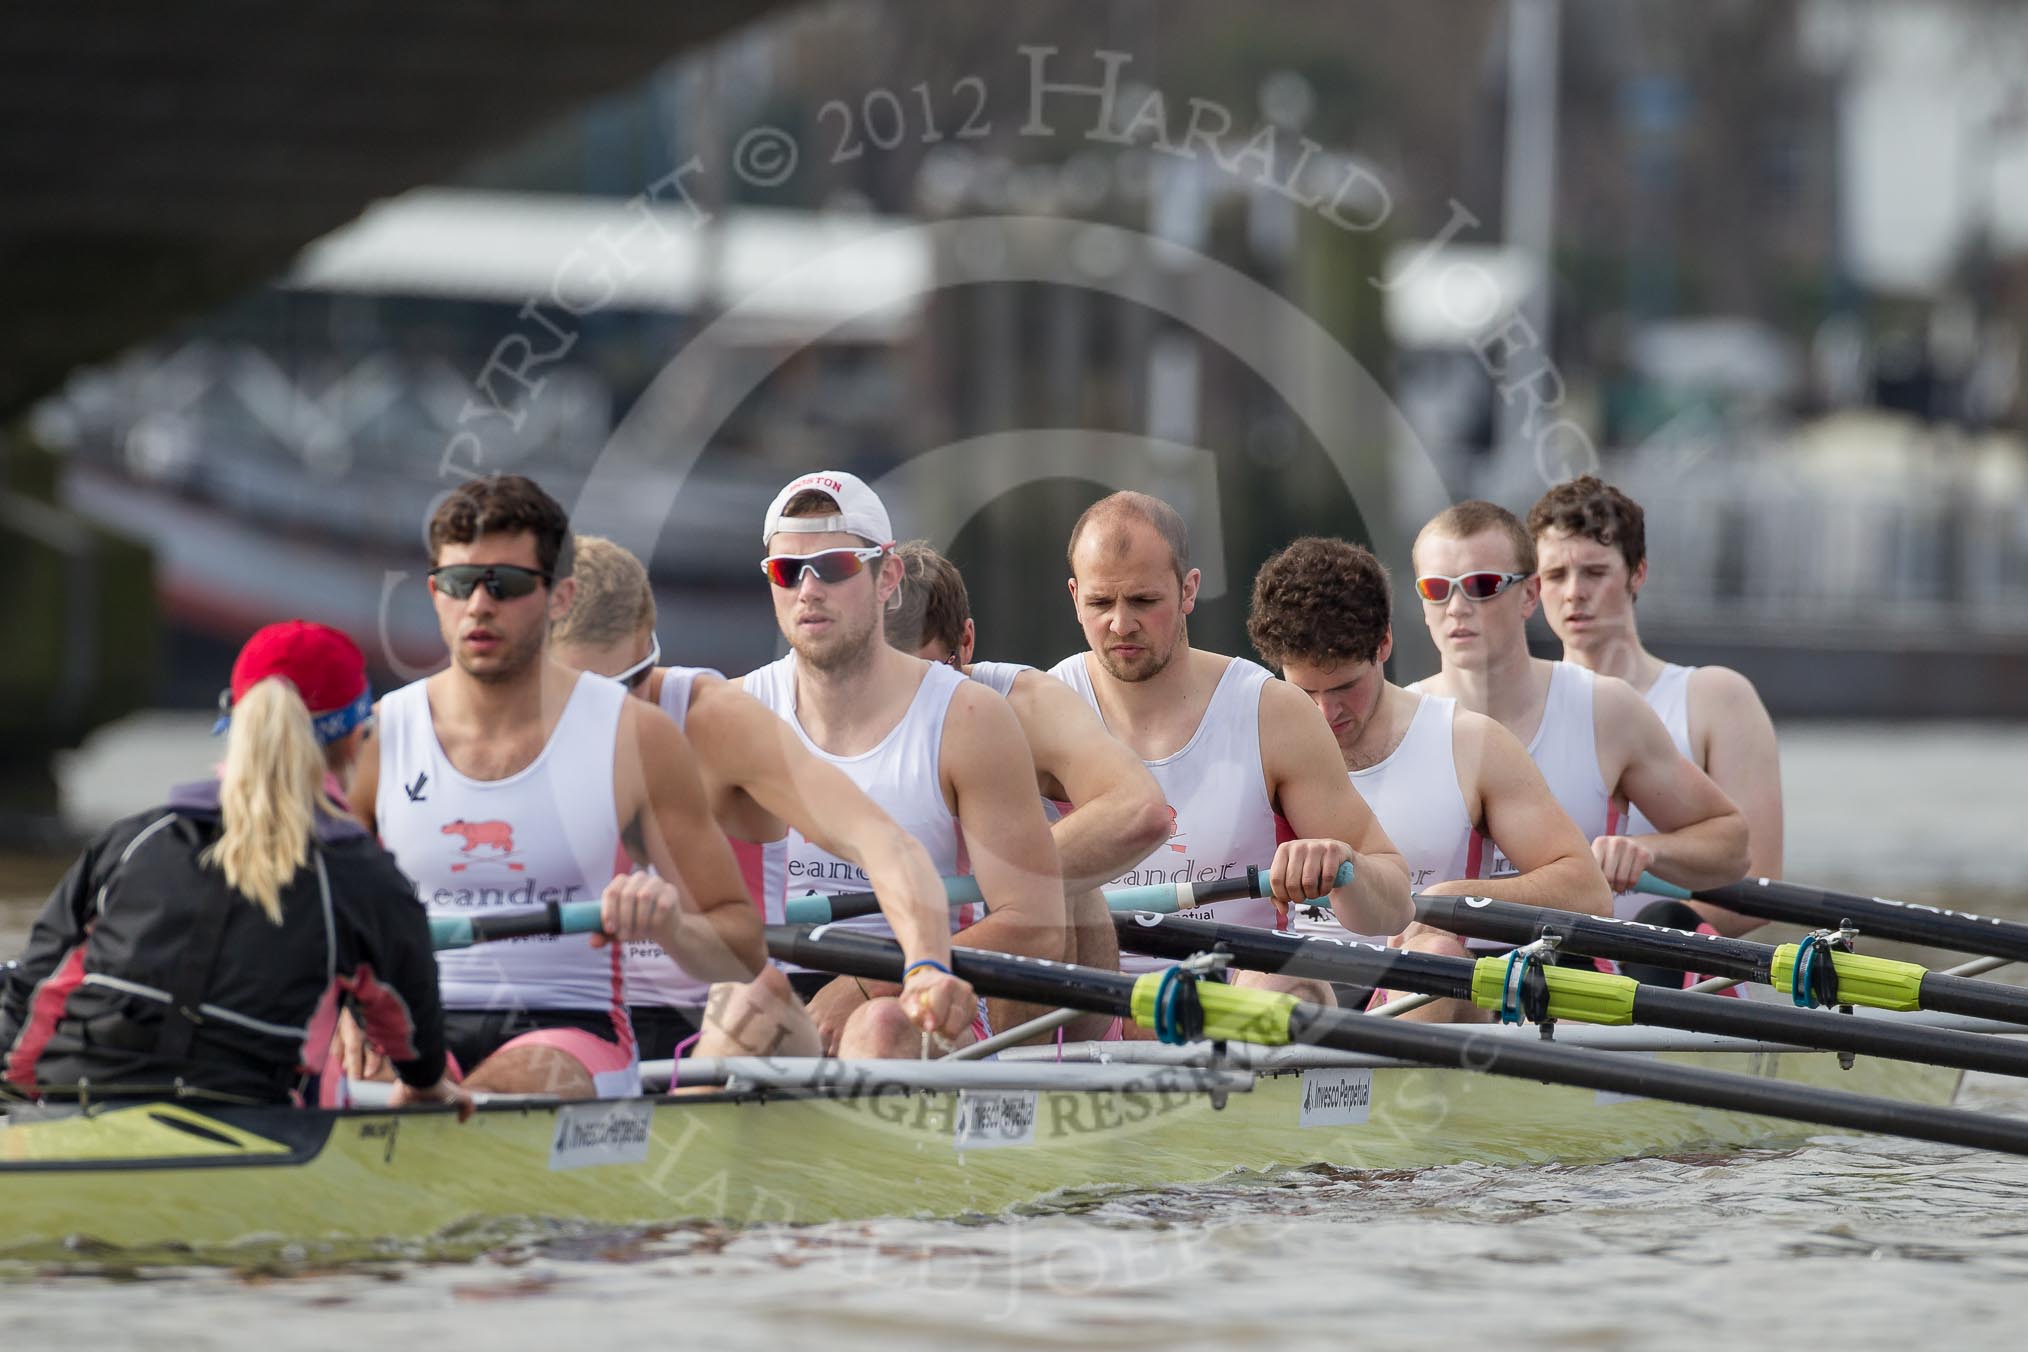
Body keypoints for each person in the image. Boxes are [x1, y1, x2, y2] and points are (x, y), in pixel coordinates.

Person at [345, 475, 764, 1100]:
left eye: (506, 586)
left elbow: (743, 948)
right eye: (459, 585)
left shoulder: (636, 739)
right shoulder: (378, 738)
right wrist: (345, 1008)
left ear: (560, 597)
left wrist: (672, 926)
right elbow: (317, 914)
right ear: (435, 593)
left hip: (571, 1030)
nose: (479, 606)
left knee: (509, 1087)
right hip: (410, 1024)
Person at [0, 621, 464, 1113]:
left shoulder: (134, 841)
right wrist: (425, 1084)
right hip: (248, 1131)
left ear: (234, 725)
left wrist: (18, 1102)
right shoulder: (360, 877)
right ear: (355, 740)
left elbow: (35, 991)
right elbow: (411, 1032)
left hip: (74, 1110)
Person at [549, 534, 976, 1059]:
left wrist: (927, 963)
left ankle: (673, 1131)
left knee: (761, 998)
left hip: (720, 1024)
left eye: (628, 686)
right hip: (565, 1020)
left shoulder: (717, 721)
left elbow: (885, 844)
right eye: (579, 699)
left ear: (650, 651)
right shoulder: (474, 729)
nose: (609, 717)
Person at [735, 470, 1067, 1053]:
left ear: (886, 574)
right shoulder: (734, 713)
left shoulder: (968, 718)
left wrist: (868, 983)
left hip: (922, 992)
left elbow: (1036, 925)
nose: (807, 590)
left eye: (834, 567)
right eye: (788, 572)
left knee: (880, 1027)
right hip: (772, 989)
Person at [1047, 491, 1412, 1018]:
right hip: (1089, 1006)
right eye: (1101, 604)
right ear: (1075, 595)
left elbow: (1395, 900)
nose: (1122, 625)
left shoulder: (1271, 712)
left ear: (1189, 590)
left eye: (1145, 602)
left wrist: (1346, 865)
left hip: (1234, 996)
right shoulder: (1043, 708)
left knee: (1299, 986)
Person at [1245, 537, 1612, 1020]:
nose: (1324, 712)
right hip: (1308, 984)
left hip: (1420, 986)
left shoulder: (1468, 742)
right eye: (1305, 691)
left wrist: (1453, 899)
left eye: (1344, 688)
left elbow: (1589, 891)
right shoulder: (1257, 737)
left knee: (1432, 959)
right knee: (1255, 978)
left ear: (1384, 644)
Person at [1407, 500, 1750, 939]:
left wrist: (1647, 852)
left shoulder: (1605, 710)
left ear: (1529, 595)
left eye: (1481, 585)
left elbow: (1733, 845)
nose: (1456, 606)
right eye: (1437, 589)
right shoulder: (1399, 719)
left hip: (1567, 972)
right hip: (1433, 977)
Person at [883, 540, 1172, 1040]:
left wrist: (1013, 884)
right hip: (913, 963)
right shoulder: (813, 705)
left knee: (1041, 863)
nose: (907, 705)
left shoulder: (1023, 702)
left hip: (1041, 983)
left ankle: (1003, 1080)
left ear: (966, 644)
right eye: (884, 679)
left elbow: (1142, 811)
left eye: (927, 676)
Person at [1529, 476, 1781, 937]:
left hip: (1672, 977)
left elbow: (1759, 888)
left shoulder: (1716, 698)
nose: (1573, 593)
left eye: (1595, 572)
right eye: (1555, 575)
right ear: (1533, 586)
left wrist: (1649, 852)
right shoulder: (1517, 709)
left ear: (1637, 573)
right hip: (1552, 968)